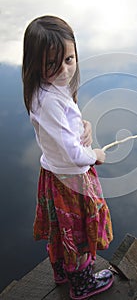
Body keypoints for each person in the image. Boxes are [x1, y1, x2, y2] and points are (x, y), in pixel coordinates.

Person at [22, 15, 114, 300]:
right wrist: (94, 155)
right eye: (53, 63)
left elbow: (61, 130)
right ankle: (82, 283)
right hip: (71, 180)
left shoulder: (44, 90)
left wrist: (83, 126)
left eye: (69, 60)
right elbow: (74, 155)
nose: (64, 70)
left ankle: (61, 270)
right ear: (36, 63)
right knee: (77, 230)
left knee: (61, 228)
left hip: (53, 174)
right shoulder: (49, 101)